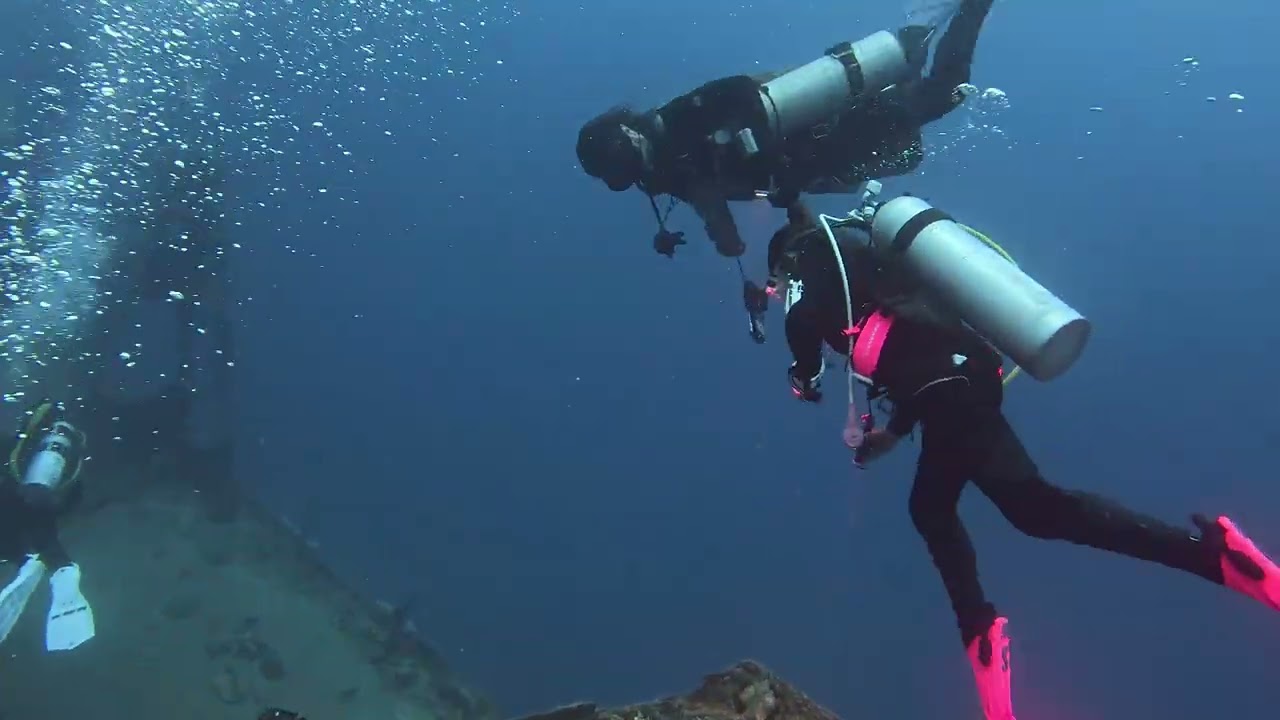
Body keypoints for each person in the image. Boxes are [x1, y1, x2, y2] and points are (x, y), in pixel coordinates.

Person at [770, 196, 1280, 720]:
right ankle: (1220, 557)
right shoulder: (864, 262)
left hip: (947, 394)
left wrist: (802, 376)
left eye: (775, 280)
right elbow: (917, 358)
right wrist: (896, 433)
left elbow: (809, 374)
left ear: (785, 264)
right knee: (1037, 510)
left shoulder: (804, 297)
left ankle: (983, 640)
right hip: (969, 382)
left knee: (935, 509)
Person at [575, 0, 994, 260]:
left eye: (621, 163)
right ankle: (927, 25)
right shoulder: (676, 173)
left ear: (625, 139)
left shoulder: (674, 123)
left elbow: (737, 91)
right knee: (924, 88)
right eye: (620, 173)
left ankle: (966, 9)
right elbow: (712, 206)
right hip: (826, 145)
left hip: (824, 125)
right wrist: (729, 243)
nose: (632, 171)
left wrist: (758, 155)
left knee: (939, 94)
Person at [0, 398, 96, 651]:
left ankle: (25, 561)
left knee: (9, 535)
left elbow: (8, 459)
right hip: (48, 499)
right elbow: (76, 492)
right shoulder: (71, 446)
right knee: (45, 538)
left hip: (16, 496)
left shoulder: (29, 437)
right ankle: (63, 570)